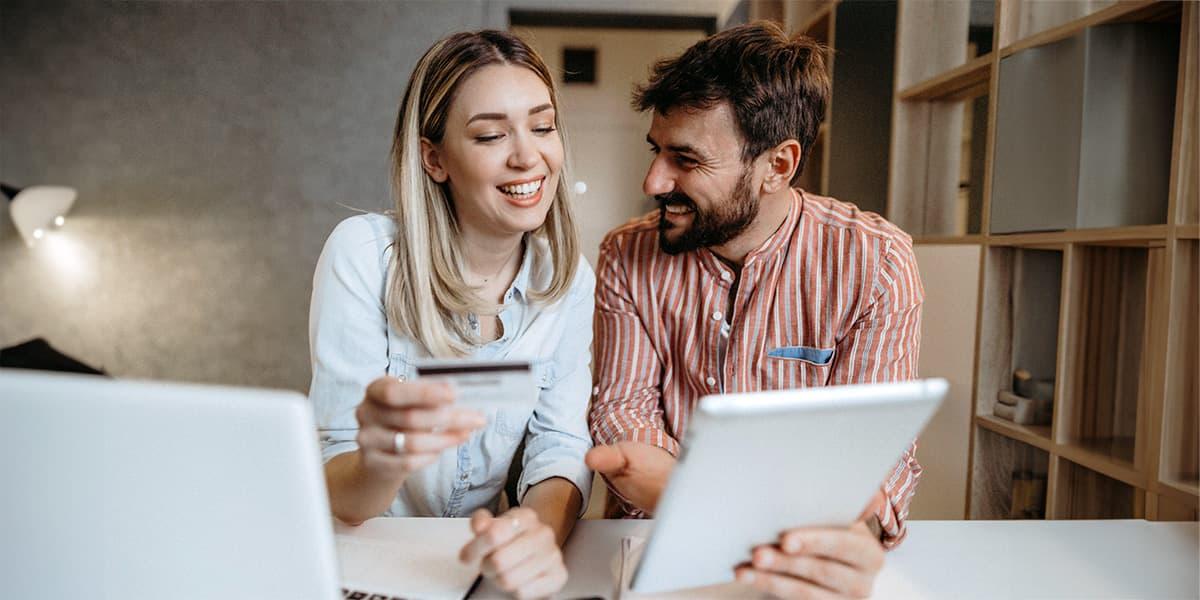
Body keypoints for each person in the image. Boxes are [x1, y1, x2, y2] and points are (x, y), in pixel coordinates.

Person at [586, 22, 923, 599]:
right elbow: (625, 411)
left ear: (778, 165)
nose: (653, 180)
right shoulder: (625, 253)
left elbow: (872, 456)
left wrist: (843, 531)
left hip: (797, 558)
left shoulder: (876, 261)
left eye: (685, 160)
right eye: (656, 151)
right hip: (652, 552)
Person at [308, 30, 594, 599]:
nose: (527, 156)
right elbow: (338, 487)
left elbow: (558, 446)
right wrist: (385, 459)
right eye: (491, 134)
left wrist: (533, 533)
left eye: (542, 127)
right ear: (434, 158)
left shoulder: (566, 280)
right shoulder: (364, 255)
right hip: (362, 563)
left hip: (469, 567)